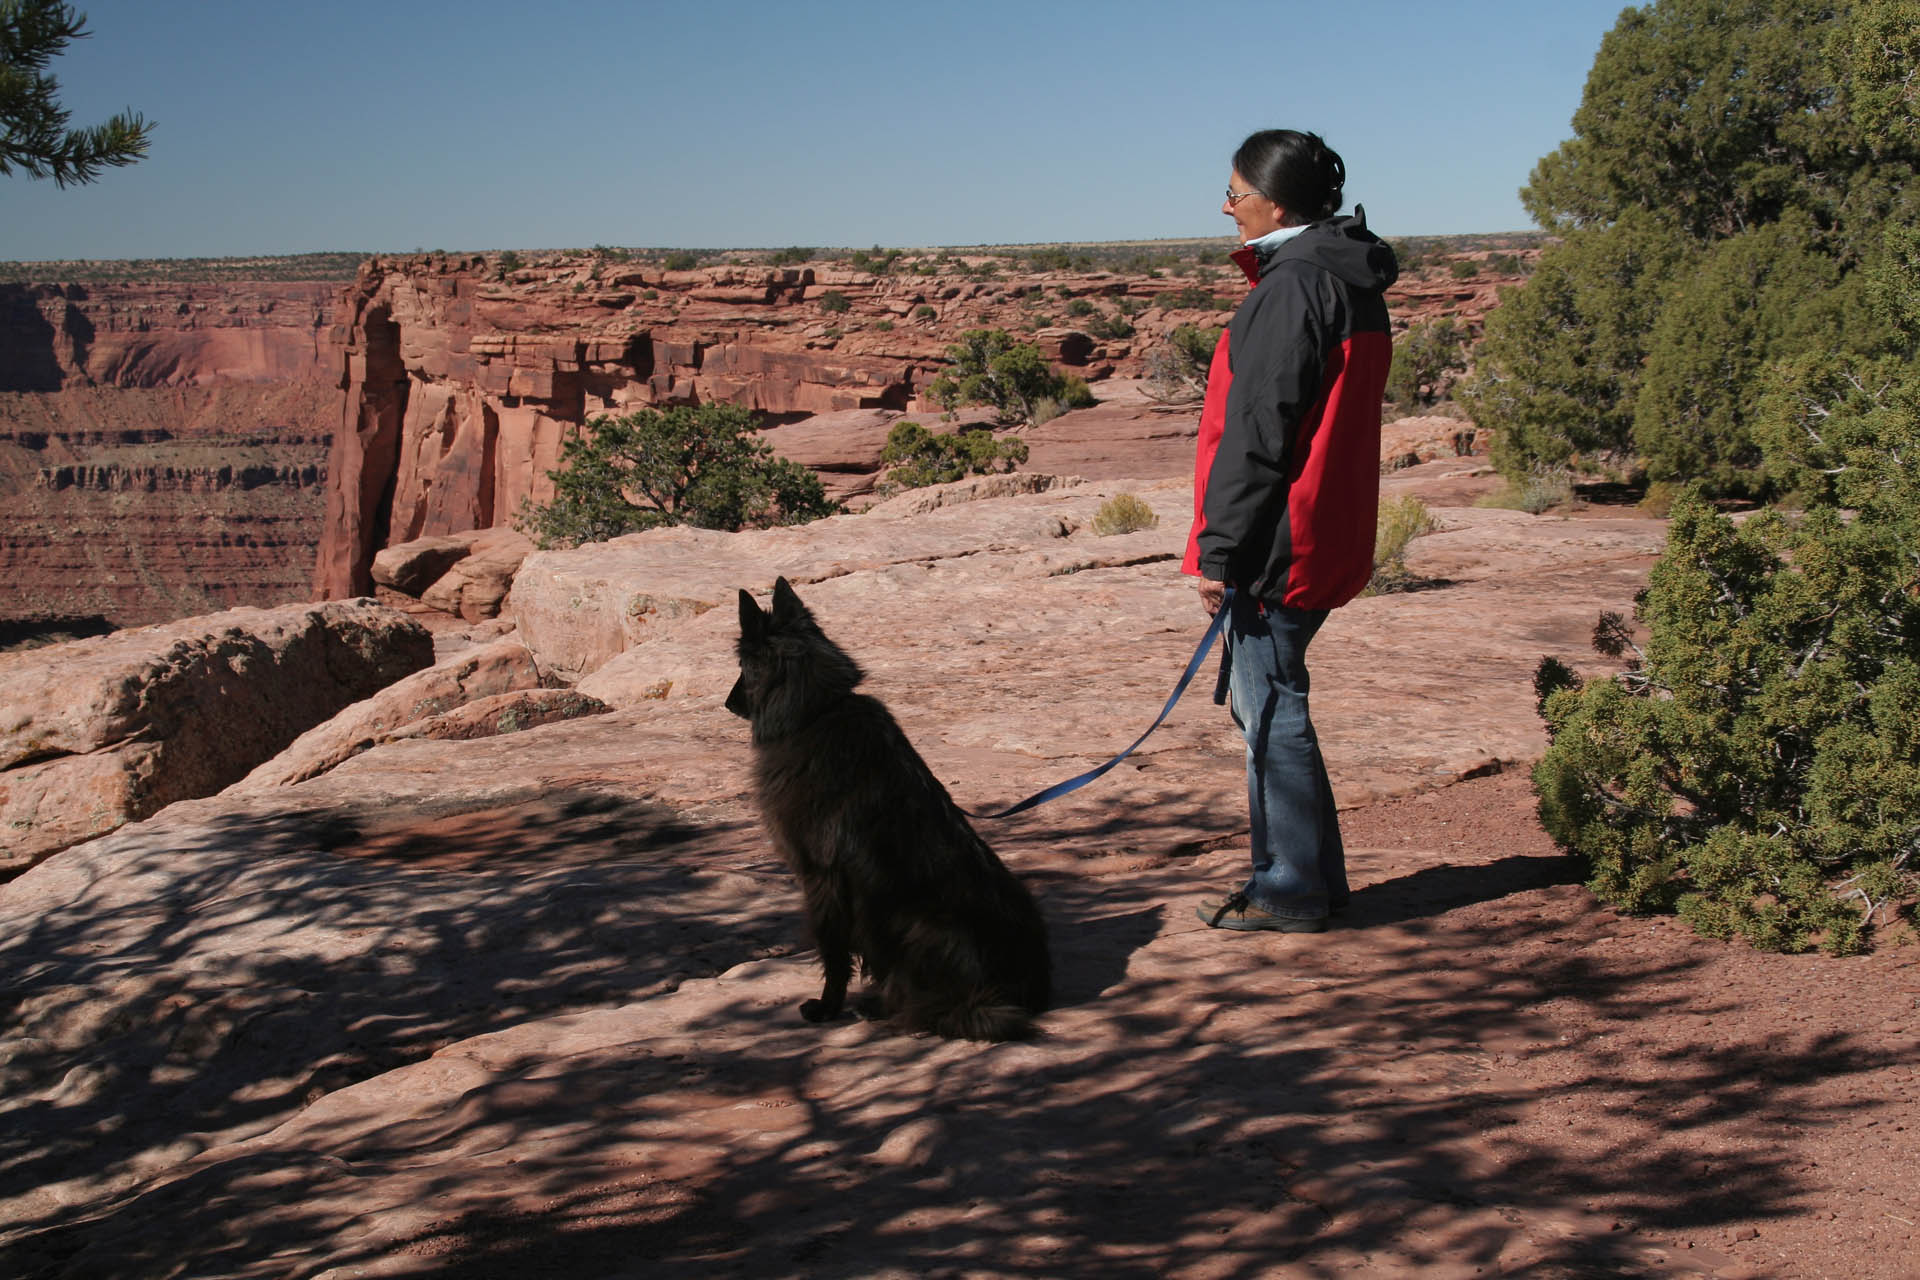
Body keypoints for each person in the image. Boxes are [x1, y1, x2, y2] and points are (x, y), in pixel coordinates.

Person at [1182, 129, 1398, 932]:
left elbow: (1258, 434)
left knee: (1270, 711)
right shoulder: (1346, 278)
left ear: (1275, 202)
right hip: (1324, 525)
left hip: (1281, 541)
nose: (1226, 209)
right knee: (1276, 702)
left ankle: (1290, 889)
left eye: (1234, 194)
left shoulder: (1293, 287)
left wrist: (1219, 548)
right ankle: (1313, 879)